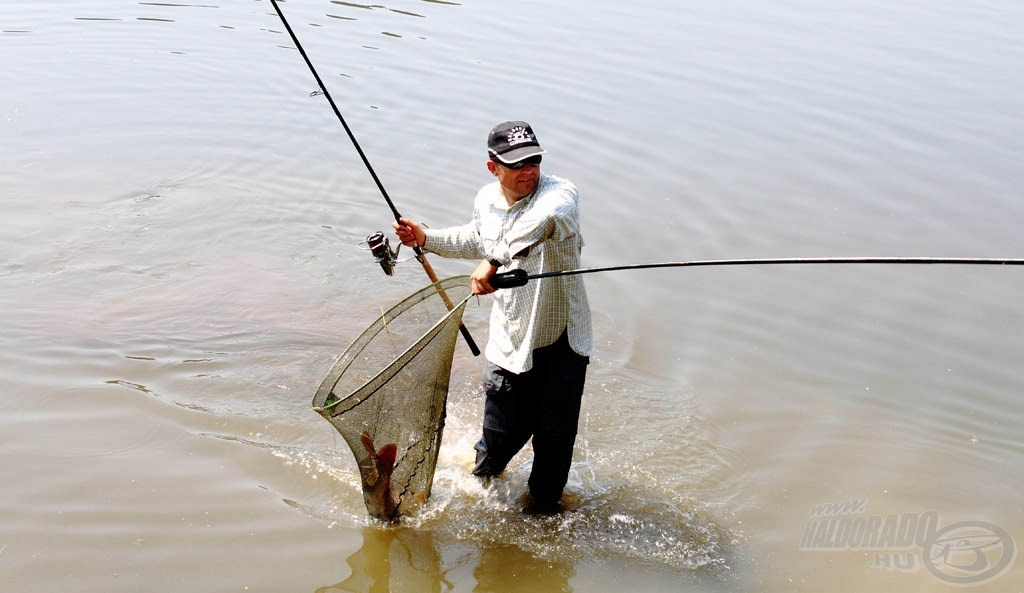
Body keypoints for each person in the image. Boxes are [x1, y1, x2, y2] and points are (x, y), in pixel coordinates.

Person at [393, 120, 593, 512]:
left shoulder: (560, 195)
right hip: (511, 342)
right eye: (516, 164)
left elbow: (543, 223)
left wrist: (494, 261)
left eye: (533, 160)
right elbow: (476, 237)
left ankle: (543, 513)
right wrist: (425, 239)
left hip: (562, 344)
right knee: (493, 449)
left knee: (553, 453)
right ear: (493, 167)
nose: (528, 170)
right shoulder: (486, 199)